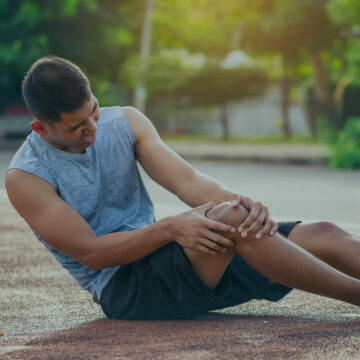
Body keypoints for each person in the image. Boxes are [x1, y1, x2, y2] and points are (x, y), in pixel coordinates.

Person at [5, 56, 360, 320]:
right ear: (40, 128)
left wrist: (247, 206)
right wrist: (172, 227)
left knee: (322, 234)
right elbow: (92, 254)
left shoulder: (126, 121)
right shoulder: (26, 177)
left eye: (94, 112)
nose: (92, 129)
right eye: (76, 127)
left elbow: (189, 183)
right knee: (231, 218)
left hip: (183, 259)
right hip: (127, 287)